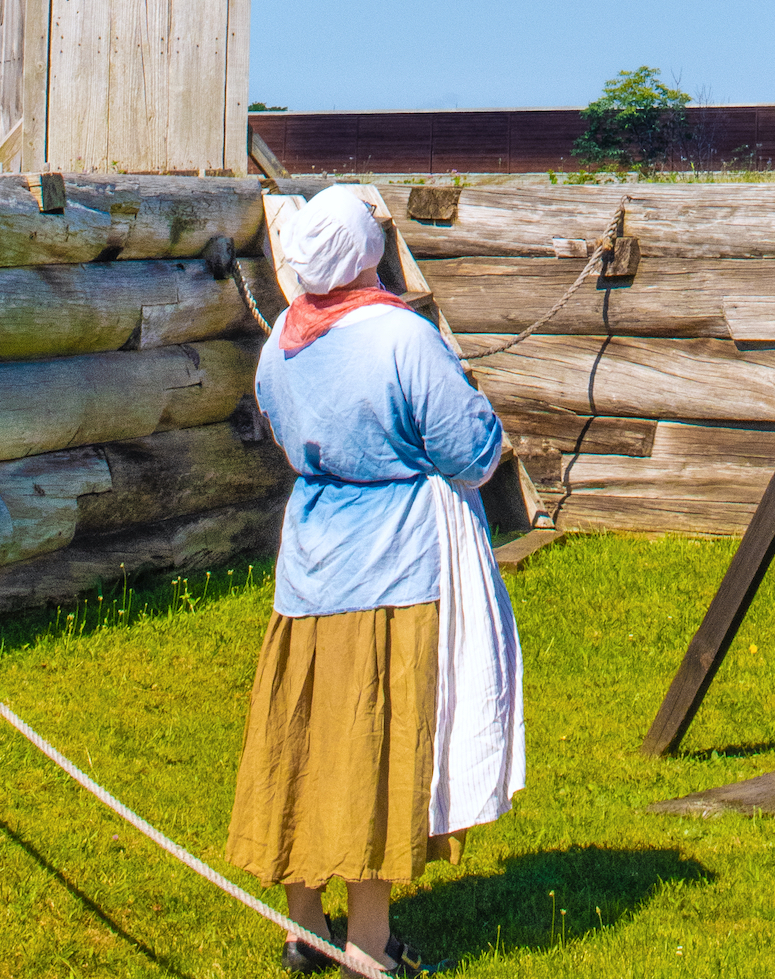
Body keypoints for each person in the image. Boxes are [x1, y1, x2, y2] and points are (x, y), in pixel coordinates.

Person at [228, 186, 522, 974]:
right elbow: (470, 448)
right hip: (393, 567)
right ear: (366, 253)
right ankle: (366, 943)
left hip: (310, 560)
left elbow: (286, 433)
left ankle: (302, 926)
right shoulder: (400, 337)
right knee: (369, 745)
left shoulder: (279, 344)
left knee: (302, 733)